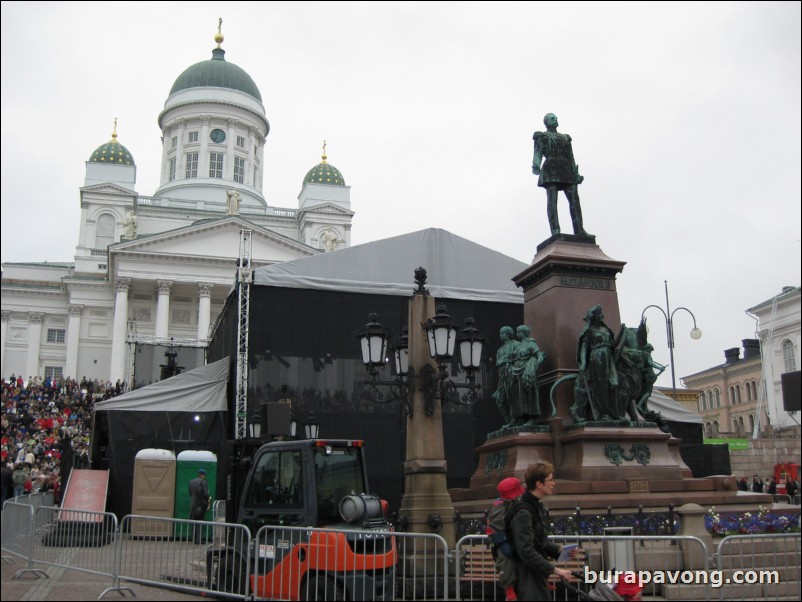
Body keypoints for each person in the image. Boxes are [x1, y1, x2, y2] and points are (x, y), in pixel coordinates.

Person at [508, 462, 574, 600]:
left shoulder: (536, 506)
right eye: (550, 480)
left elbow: (538, 541)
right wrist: (554, 570)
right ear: (539, 484)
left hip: (535, 573)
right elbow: (525, 550)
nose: (554, 483)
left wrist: (559, 550)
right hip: (526, 575)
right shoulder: (523, 512)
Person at [532, 113, 591, 237]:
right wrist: (536, 165)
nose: (555, 120)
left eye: (556, 118)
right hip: (551, 168)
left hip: (566, 168)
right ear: (546, 122)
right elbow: (537, 153)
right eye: (552, 118)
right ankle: (555, 230)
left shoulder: (565, 138)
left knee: (575, 200)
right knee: (552, 201)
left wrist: (576, 173)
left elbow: (571, 156)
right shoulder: (542, 136)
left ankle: (579, 230)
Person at [576, 305, 625, 421]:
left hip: (609, 358)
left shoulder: (606, 330)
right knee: (601, 386)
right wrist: (583, 363)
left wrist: (621, 332)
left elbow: (613, 345)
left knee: (614, 384)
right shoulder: (589, 331)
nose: (601, 316)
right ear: (593, 317)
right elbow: (583, 348)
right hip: (596, 358)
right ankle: (604, 414)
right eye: (599, 314)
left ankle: (615, 413)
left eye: (601, 313)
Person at [486, 477, 526, 602]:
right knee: (505, 558)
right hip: (504, 541)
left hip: (515, 542)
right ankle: (509, 589)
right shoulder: (501, 506)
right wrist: (503, 542)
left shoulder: (514, 504)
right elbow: (493, 529)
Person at [511, 325, 546, 425]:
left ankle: (532, 417)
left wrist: (532, 367)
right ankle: (521, 416)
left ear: (524, 333)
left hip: (527, 372)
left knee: (529, 394)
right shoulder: (519, 345)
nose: (517, 334)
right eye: (517, 332)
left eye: (519, 332)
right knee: (518, 395)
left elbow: (540, 357)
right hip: (516, 372)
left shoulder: (531, 343)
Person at [492, 326, 520, 427]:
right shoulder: (500, 349)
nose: (500, 335)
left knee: (512, 398)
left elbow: (521, 358)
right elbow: (497, 362)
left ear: (508, 334)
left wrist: (507, 361)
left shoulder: (516, 344)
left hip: (512, 374)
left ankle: (514, 420)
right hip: (502, 376)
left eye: (502, 333)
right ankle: (508, 420)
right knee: (499, 400)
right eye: (500, 333)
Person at [188, 468, 211, 543]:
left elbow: (190, 493)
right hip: (200, 505)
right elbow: (205, 493)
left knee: (193, 521)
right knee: (200, 521)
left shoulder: (191, 482)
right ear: (203, 475)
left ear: (198, 474)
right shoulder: (203, 482)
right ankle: (198, 540)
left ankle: (193, 538)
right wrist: (209, 498)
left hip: (192, 504)